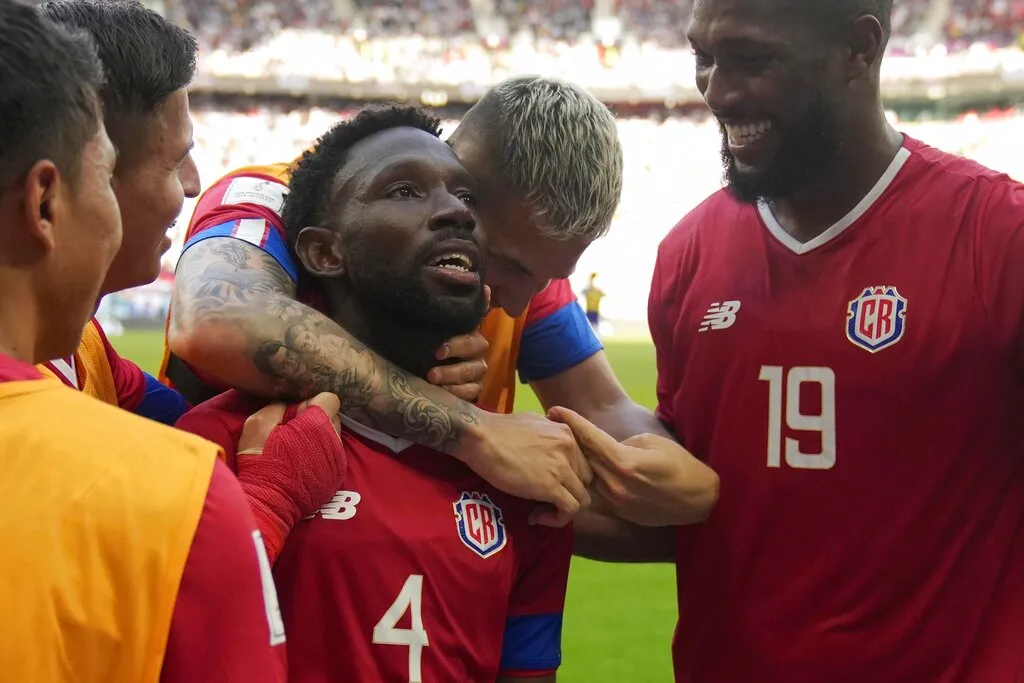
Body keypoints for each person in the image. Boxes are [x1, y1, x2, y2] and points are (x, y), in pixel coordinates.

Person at [578, 0, 1024, 681]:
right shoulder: (688, 256)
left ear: (859, 49)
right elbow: (714, 517)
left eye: (753, 61)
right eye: (704, 58)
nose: (718, 91)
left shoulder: (998, 239)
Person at [164, 75, 718, 529]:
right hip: (236, 546)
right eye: (511, 265)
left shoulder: (525, 264)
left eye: (546, 277)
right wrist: (470, 429)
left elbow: (602, 410)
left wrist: (682, 472)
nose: (516, 301)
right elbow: (216, 321)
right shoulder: (272, 197)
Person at [0, 3, 339, 679]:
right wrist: (265, 505)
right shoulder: (172, 496)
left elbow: (172, 409)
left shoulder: (84, 354)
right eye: (174, 160)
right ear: (45, 200)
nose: (192, 186)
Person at [177, 106, 573, 683]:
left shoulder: (520, 471)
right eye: (406, 190)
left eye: (465, 195)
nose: (456, 212)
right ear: (324, 253)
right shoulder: (228, 445)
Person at [35, 0, 201, 425]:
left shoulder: (81, 340)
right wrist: (275, 486)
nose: (193, 185)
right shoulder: (23, 401)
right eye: (174, 161)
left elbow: (181, 422)